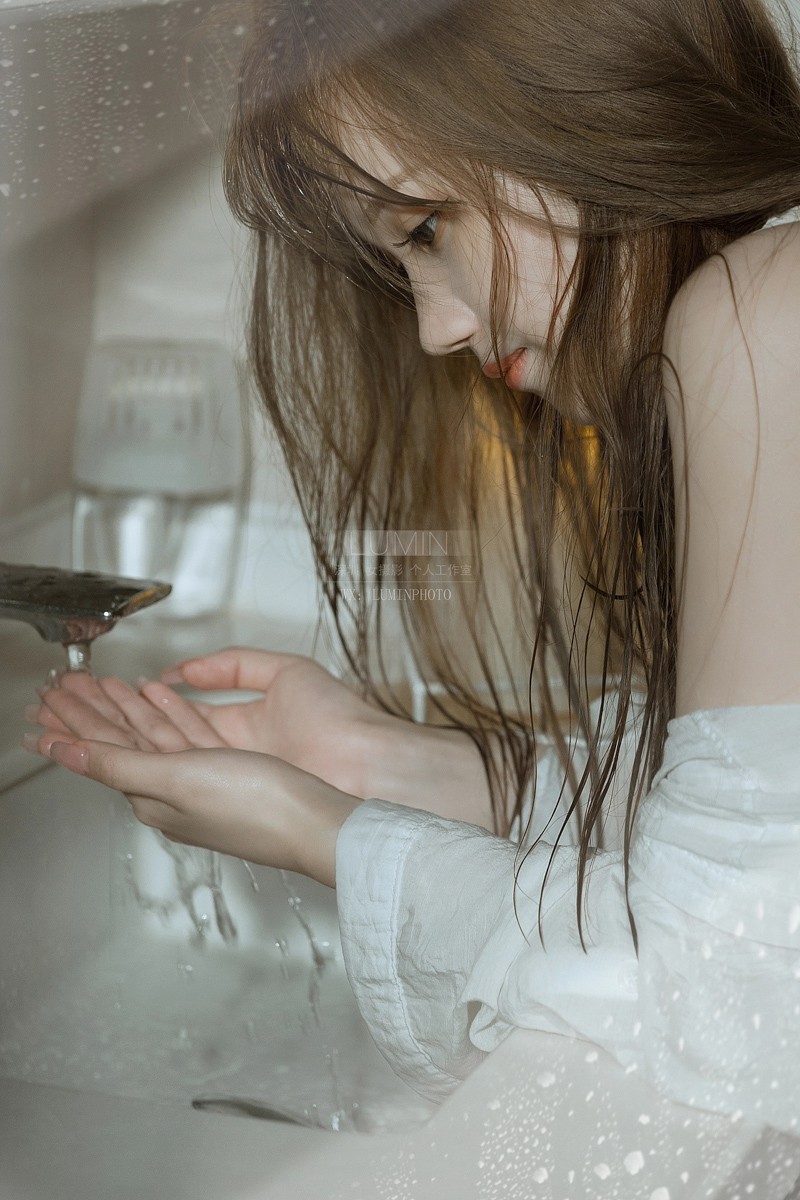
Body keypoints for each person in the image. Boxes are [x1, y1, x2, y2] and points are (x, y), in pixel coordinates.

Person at [22, 0, 800, 1190]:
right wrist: (391, 765)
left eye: (427, 229)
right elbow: (760, 867)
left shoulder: (761, 311)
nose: (434, 326)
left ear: (574, 106)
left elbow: (713, 1016)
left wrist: (320, 832)